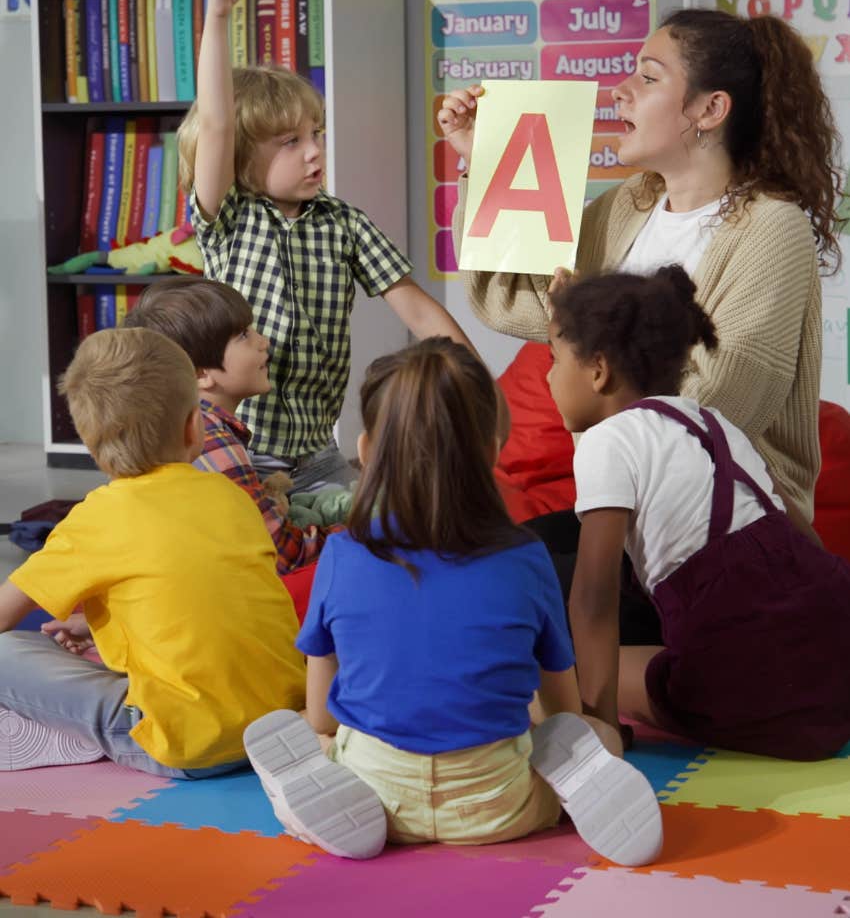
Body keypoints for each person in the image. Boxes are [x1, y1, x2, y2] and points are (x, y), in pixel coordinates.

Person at [242, 338, 663, 865]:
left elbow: (324, 712)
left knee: (318, 736)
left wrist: (326, 736)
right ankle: (566, 796)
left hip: (377, 792)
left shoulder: (343, 554)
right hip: (499, 805)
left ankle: (315, 790)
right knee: (597, 737)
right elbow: (563, 713)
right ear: (491, 452)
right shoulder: (526, 557)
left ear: (367, 450)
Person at [439, 7, 843, 525]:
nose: (619, 89)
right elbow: (511, 300)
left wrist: (582, 339)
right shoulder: (632, 203)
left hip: (723, 521)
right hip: (625, 507)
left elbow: (714, 409)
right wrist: (484, 158)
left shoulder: (772, 228)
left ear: (710, 109)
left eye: (648, 77)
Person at [178, 0, 480, 493]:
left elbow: (419, 312)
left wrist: (477, 388)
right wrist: (217, 15)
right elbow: (216, 123)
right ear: (243, 158)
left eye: (315, 133)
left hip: (319, 454)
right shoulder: (229, 218)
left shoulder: (344, 222)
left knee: (334, 556)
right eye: (290, 142)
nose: (316, 150)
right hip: (237, 449)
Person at [547, 266, 850, 761]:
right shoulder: (715, 423)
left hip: (752, 682)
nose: (549, 377)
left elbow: (591, 600)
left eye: (554, 360)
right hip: (836, 652)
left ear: (598, 369)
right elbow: (806, 544)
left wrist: (602, 729)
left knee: (560, 668)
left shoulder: (607, 441)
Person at [0, 327, 306, 777]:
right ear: (193, 426)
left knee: (9, 652)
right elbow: (213, 594)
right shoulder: (232, 496)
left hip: (189, 745)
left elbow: (5, 615)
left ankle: (67, 736)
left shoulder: (96, 518)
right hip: (285, 720)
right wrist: (97, 624)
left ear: (89, 442)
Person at [123, 277, 335, 586]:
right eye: (244, 335)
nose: (263, 341)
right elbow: (280, 552)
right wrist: (350, 535)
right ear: (201, 373)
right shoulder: (213, 440)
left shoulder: (177, 426)